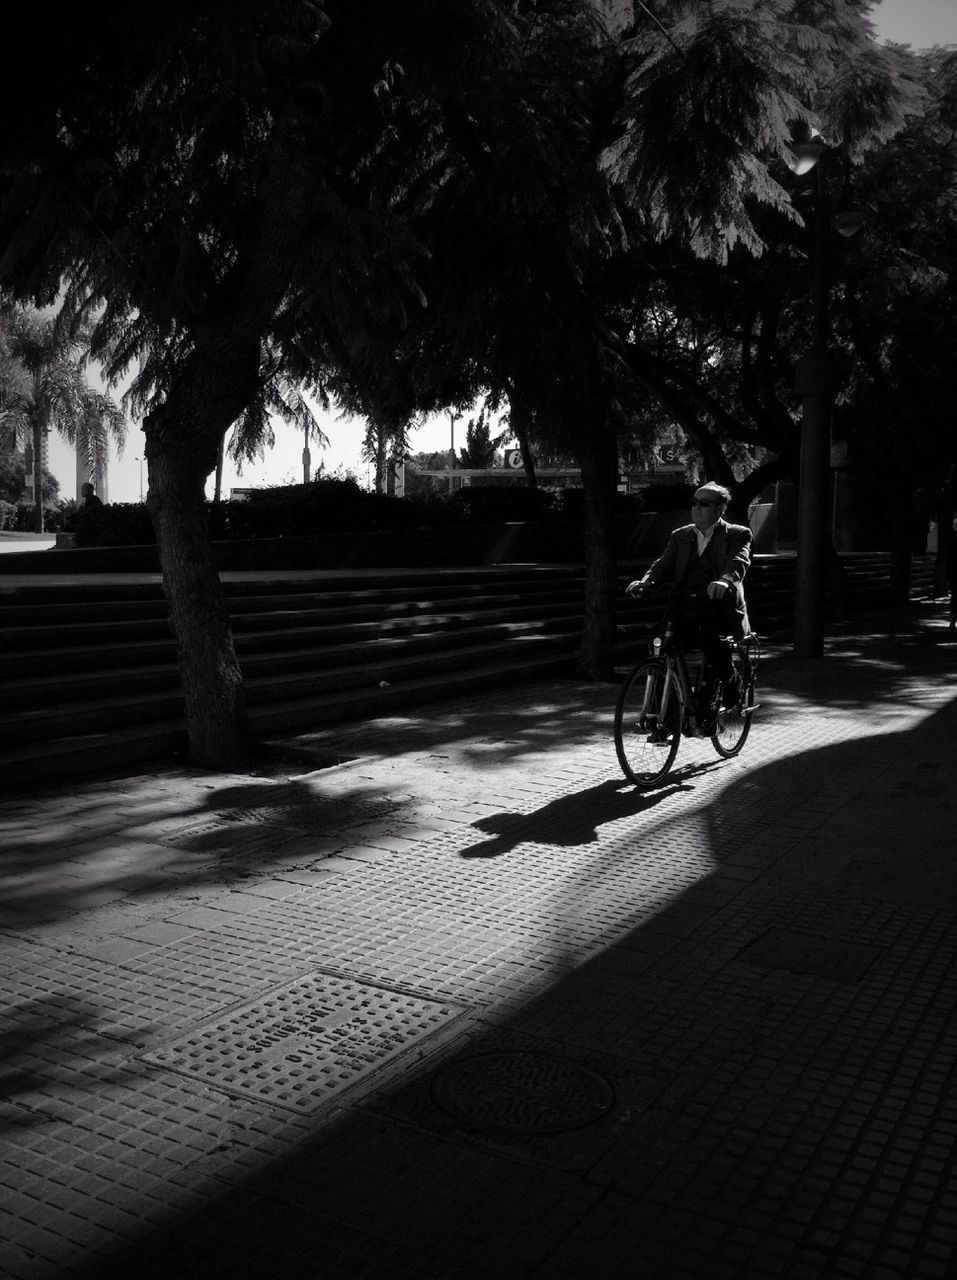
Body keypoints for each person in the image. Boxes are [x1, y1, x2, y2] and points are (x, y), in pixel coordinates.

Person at [626, 481, 752, 709]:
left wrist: (724, 581)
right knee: (666, 654)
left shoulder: (737, 534)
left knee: (712, 644)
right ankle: (664, 717)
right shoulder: (680, 536)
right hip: (684, 605)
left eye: (703, 503)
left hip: (718, 607)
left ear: (720, 508)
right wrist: (646, 582)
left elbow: (739, 561)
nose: (696, 507)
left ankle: (732, 683)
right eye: (694, 502)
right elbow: (662, 565)